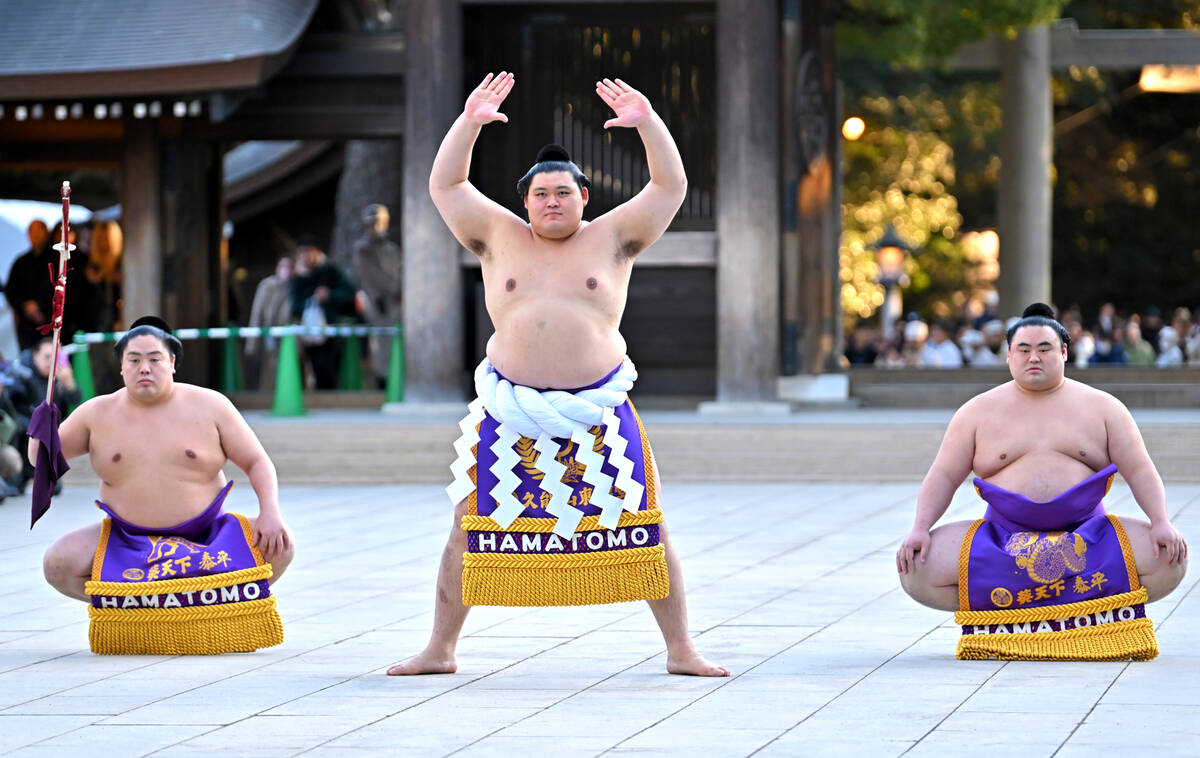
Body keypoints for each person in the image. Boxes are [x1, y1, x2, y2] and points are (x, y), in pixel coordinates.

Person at [389, 72, 726, 677]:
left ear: (583, 197)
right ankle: (440, 648)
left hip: (598, 411)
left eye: (563, 192)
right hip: (509, 411)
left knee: (647, 523)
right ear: (525, 202)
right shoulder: (497, 236)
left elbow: (669, 186)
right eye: (541, 193)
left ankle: (681, 649)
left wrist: (648, 122)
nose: (552, 201)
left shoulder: (614, 237)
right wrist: (469, 122)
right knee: (467, 526)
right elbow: (447, 184)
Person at [895, 303, 1187, 660]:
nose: (1034, 357)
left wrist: (1160, 521)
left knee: (1170, 560)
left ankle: (1051, 609)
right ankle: (1048, 609)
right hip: (1004, 542)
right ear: (1008, 355)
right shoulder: (976, 413)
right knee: (917, 570)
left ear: (1064, 352)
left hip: (1087, 537)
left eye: (1044, 349)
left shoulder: (1104, 408)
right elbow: (943, 475)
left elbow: (1140, 469)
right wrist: (920, 527)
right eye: (1024, 349)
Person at [33, 317, 294, 653]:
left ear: (172, 362)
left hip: (207, 538)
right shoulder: (95, 414)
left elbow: (257, 461)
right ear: (122, 367)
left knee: (281, 546)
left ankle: (185, 602)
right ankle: (146, 605)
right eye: (134, 360)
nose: (145, 368)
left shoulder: (211, 406)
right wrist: (43, 419)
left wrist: (270, 511)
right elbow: (41, 461)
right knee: (58, 563)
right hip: (127, 540)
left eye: (154, 359)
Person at [4, 335, 83, 493]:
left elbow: (75, 401)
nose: (52, 363)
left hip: (45, 443)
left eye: (56, 358)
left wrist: (70, 385)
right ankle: (15, 478)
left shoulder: (59, 377)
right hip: (22, 437)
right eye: (47, 357)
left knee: (55, 488)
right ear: (35, 356)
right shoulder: (21, 373)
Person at [289, 238, 357, 389]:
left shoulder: (330, 270)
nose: (305, 256)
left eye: (308, 252)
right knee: (316, 368)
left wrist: (330, 295)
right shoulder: (298, 277)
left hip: (332, 328)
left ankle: (332, 398)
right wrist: (311, 301)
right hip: (309, 332)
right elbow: (294, 306)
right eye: (301, 253)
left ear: (317, 251)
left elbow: (349, 292)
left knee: (331, 367)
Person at [351, 204, 403, 388]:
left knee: (395, 341)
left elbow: (400, 271)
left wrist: (401, 289)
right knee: (381, 343)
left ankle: (396, 379)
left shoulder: (392, 249)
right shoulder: (362, 249)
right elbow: (367, 275)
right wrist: (377, 295)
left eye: (380, 221)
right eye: (373, 222)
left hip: (397, 301)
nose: (377, 226)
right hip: (377, 302)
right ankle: (382, 382)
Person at [245, 256, 295, 390]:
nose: (286, 270)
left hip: (289, 334)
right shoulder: (267, 286)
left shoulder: (295, 286)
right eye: (283, 266)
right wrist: (252, 342)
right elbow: (257, 312)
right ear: (277, 268)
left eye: (289, 267)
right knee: (270, 367)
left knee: (288, 366)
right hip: (269, 331)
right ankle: (268, 396)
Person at [4, 220, 54, 351]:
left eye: (39, 230)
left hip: (51, 322)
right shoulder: (21, 262)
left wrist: (40, 306)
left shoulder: (56, 260)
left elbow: (60, 290)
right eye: (32, 231)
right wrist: (25, 307)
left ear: (46, 233)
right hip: (26, 325)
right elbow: (11, 291)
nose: (36, 235)